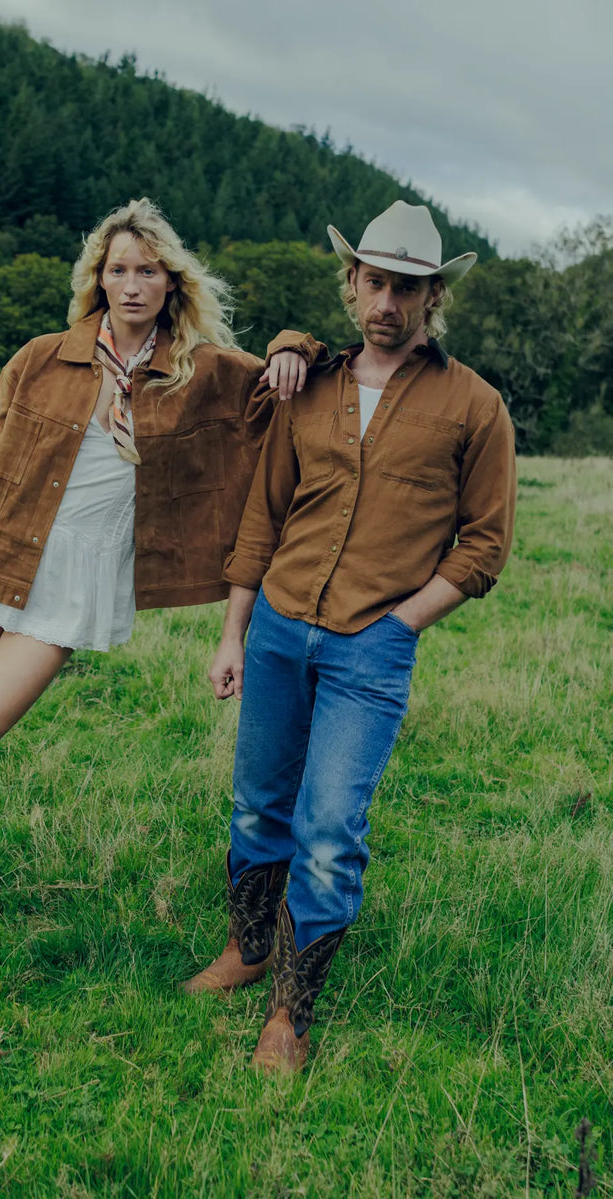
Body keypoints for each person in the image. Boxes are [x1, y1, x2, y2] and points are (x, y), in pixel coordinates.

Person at [0, 197, 277, 947]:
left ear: (171, 282)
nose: (133, 283)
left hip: (74, 582)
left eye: (148, 270)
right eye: (118, 269)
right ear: (98, 279)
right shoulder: (43, 357)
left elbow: (285, 382)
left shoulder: (197, 370)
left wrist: (297, 340)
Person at [182, 200, 517, 1073]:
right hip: (279, 629)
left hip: (373, 648)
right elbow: (263, 514)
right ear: (353, 283)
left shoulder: (474, 406)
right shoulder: (311, 381)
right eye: (375, 281)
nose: (388, 302)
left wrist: (400, 622)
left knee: (331, 825)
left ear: (432, 296)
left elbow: (486, 543)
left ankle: (292, 1007)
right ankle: (249, 946)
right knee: (259, 802)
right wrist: (233, 631)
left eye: (408, 287)